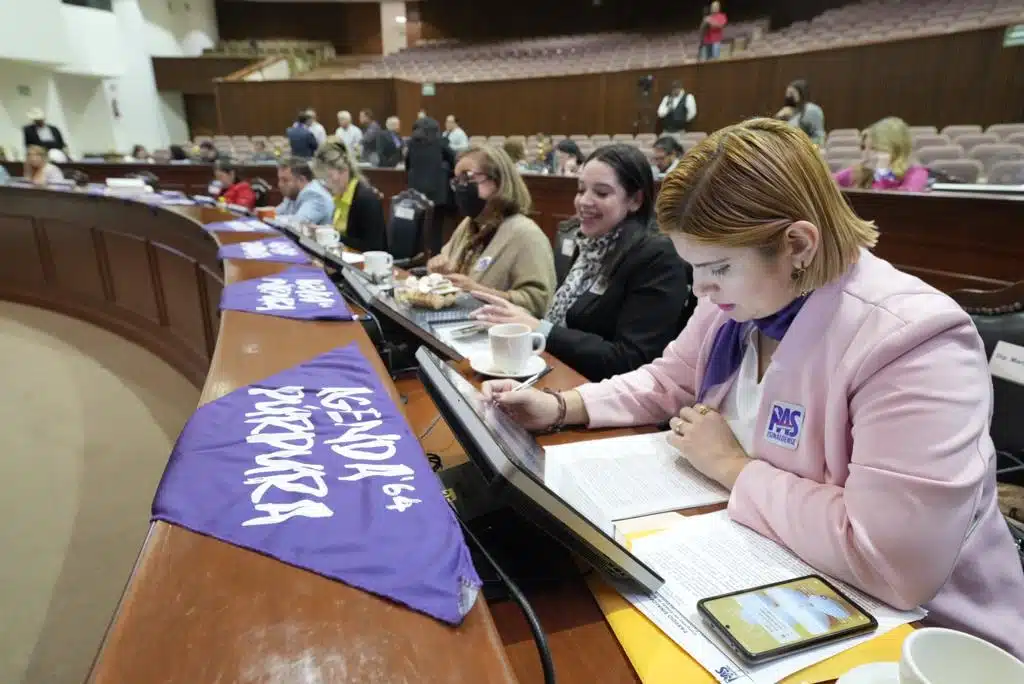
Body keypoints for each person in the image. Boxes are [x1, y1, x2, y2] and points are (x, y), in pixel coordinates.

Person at [482, 118, 1024, 659]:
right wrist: (559, 406)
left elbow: (892, 563)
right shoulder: (740, 303)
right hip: (779, 568)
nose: (699, 288)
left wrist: (732, 467)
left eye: (716, 267)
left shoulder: (916, 343)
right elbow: (667, 379)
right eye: (693, 267)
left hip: (924, 643)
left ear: (798, 244)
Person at [471, 144, 692, 381]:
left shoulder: (658, 257)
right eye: (581, 190)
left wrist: (539, 328)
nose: (584, 202)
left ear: (635, 200)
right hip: (559, 373)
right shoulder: (587, 244)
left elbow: (630, 360)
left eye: (601, 193)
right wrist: (519, 317)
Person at [426, 144, 555, 318]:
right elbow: (447, 265)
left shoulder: (526, 234)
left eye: (467, 178)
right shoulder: (469, 224)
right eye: (456, 181)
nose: (461, 187)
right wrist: (439, 270)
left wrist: (478, 291)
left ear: (498, 181)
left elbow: (539, 304)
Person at [312, 139, 387, 252]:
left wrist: (333, 236)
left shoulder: (365, 199)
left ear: (344, 171)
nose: (326, 184)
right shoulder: (339, 196)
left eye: (328, 177)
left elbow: (373, 247)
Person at [834, 117, 929, 192]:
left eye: (874, 149)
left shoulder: (917, 174)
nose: (865, 155)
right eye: (864, 148)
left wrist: (883, 175)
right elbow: (829, 182)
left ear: (895, 150)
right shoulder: (862, 170)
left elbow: (890, 203)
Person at [406, 116, 456, 208]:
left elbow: (408, 165)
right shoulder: (441, 142)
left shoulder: (411, 144)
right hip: (436, 190)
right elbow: (453, 161)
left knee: (419, 218)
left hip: (416, 189)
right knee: (436, 219)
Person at [276, 157, 334, 225]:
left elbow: (297, 223)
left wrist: (270, 218)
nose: (279, 184)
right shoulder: (292, 195)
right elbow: (276, 212)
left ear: (302, 180)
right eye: (280, 180)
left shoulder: (315, 195)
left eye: (285, 180)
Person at [776, 79, 825, 146]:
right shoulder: (788, 111)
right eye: (787, 93)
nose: (788, 96)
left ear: (801, 93)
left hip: (804, 149)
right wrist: (779, 118)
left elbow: (819, 138)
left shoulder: (811, 110)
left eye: (792, 93)